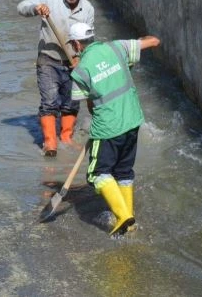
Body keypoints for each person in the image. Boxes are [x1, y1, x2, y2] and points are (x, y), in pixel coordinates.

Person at [67, 22, 160, 236]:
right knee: (123, 172)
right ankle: (130, 221)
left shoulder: (80, 72)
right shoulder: (117, 47)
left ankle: (123, 216)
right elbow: (153, 41)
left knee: (97, 174)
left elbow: (89, 106)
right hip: (133, 119)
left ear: (75, 44)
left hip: (108, 128)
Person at [17, 0, 94, 157]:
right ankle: (50, 142)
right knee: (50, 101)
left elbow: (89, 38)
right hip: (48, 59)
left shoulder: (88, 9)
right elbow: (20, 7)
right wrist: (36, 8)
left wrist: (81, 59)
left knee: (71, 103)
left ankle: (66, 137)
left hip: (73, 62)